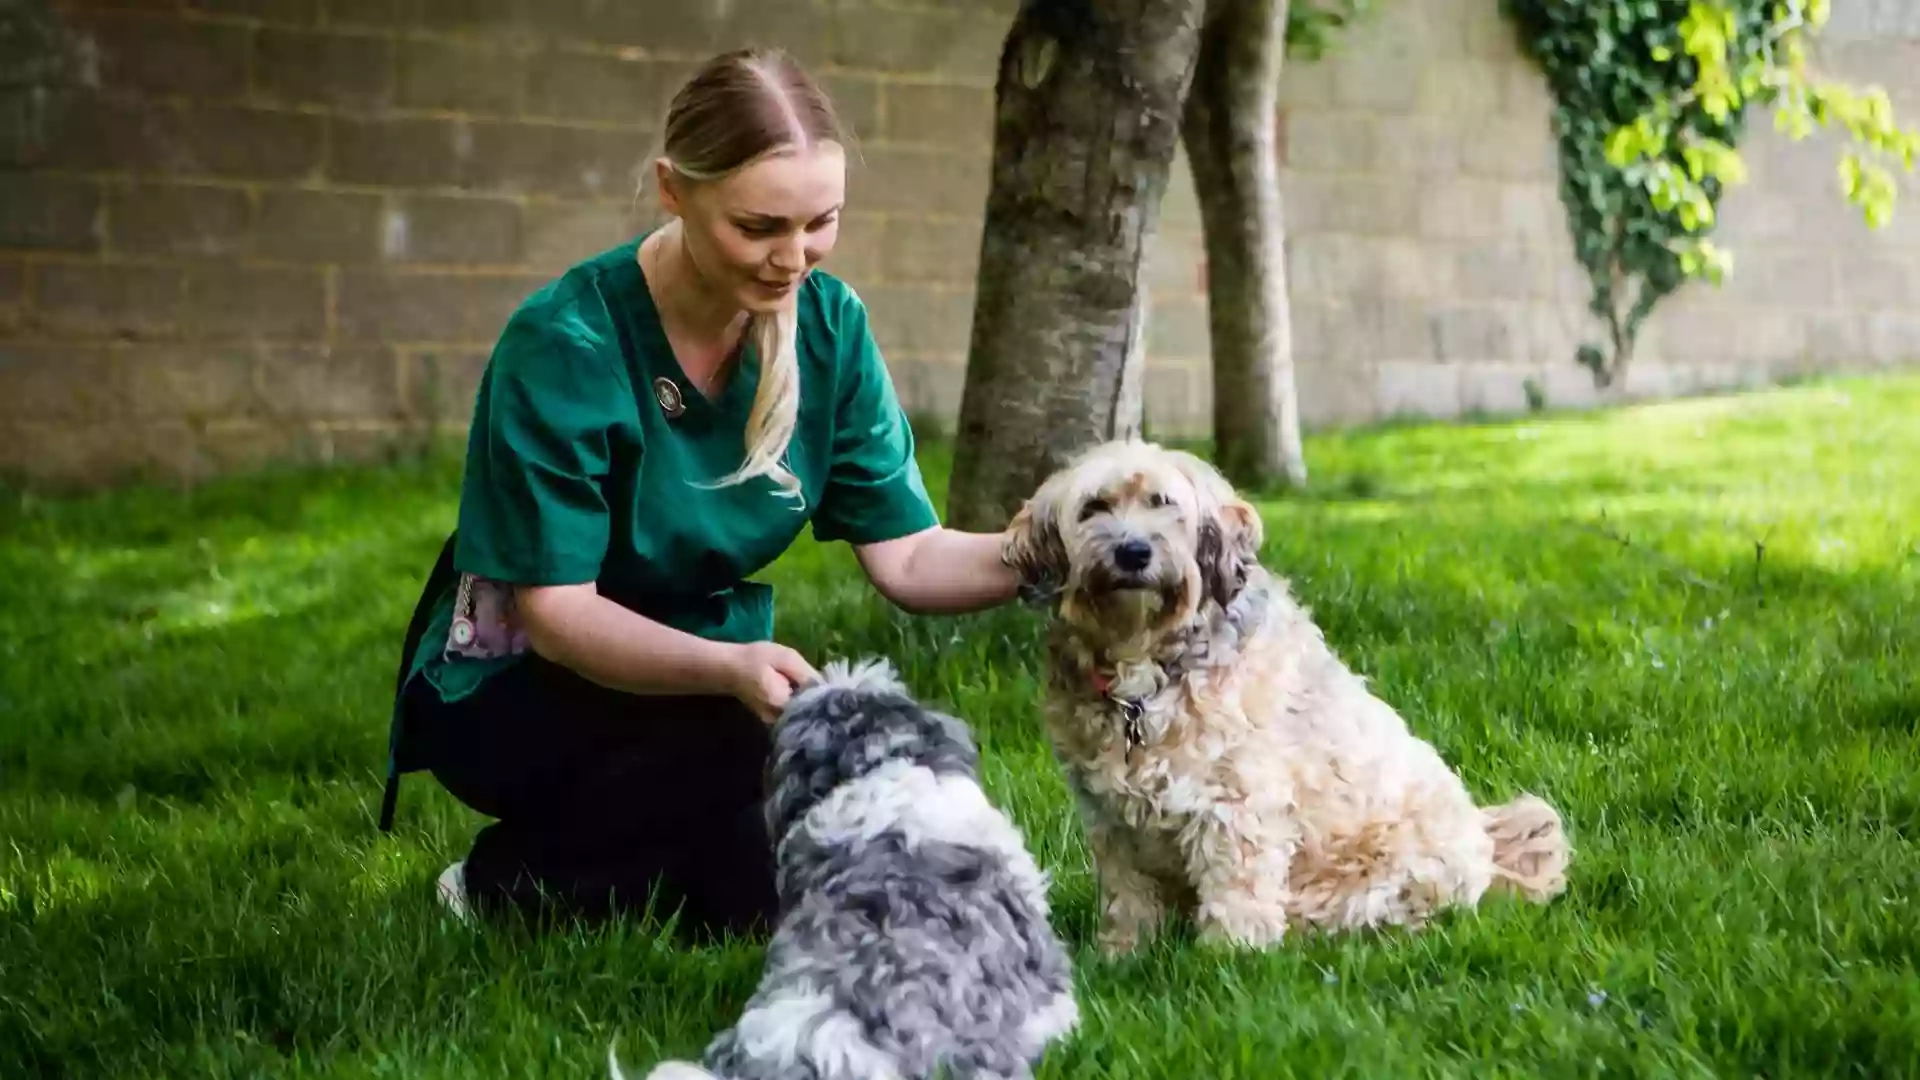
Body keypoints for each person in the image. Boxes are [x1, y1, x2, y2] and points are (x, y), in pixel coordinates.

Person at [381, 46, 1021, 941]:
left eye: (820, 222)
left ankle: (573, 881)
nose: (792, 258)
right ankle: (503, 879)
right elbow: (559, 615)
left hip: (706, 690)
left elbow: (911, 556)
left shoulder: (831, 327)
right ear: (674, 189)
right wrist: (727, 668)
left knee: (756, 903)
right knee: (755, 753)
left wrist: (1057, 550)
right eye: (759, 226)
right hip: (519, 688)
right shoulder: (565, 342)